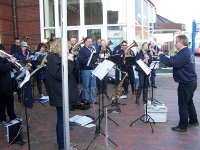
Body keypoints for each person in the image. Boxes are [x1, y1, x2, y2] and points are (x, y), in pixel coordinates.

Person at [158, 35, 198, 132]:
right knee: (189, 102)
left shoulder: (184, 53)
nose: (175, 44)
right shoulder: (186, 52)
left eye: (176, 42)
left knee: (183, 104)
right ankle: (193, 120)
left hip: (186, 83)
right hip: (191, 82)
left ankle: (183, 126)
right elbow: (175, 59)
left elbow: (172, 62)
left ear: (181, 42)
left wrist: (161, 55)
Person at [47, 38, 78, 150]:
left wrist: (70, 60)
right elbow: (60, 74)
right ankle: (62, 145)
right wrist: (69, 61)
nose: (68, 48)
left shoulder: (58, 57)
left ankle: (66, 142)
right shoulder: (52, 58)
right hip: (59, 93)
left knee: (64, 119)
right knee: (61, 119)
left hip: (63, 92)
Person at [0, 44, 19, 127]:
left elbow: (8, 68)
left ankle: (12, 116)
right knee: (2, 103)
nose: (4, 52)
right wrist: (10, 63)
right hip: (2, 85)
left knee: (10, 102)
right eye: (2, 51)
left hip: (8, 84)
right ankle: (2, 119)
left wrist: (13, 64)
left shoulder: (4, 59)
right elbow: (2, 69)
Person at [79, 37, 99, 104]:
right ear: (85, 42)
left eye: (91, 41)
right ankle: (85, 100)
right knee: (85, 86)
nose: (90, 43)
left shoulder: (93, 49)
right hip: (86, 69)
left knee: (93, 86)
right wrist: (89, 59)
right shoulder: (82, 50)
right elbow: (81, 61)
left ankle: (93, 99)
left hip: (93, 69)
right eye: (88, 41)